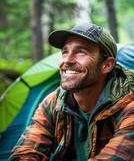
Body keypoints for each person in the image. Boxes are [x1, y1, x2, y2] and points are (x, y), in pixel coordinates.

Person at [9, 23, 134, 161]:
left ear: (107, 65)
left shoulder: (129, 106)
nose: (67, 60)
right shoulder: (54, 103)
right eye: (65, 52)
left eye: (81, 52)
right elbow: (26, 152)